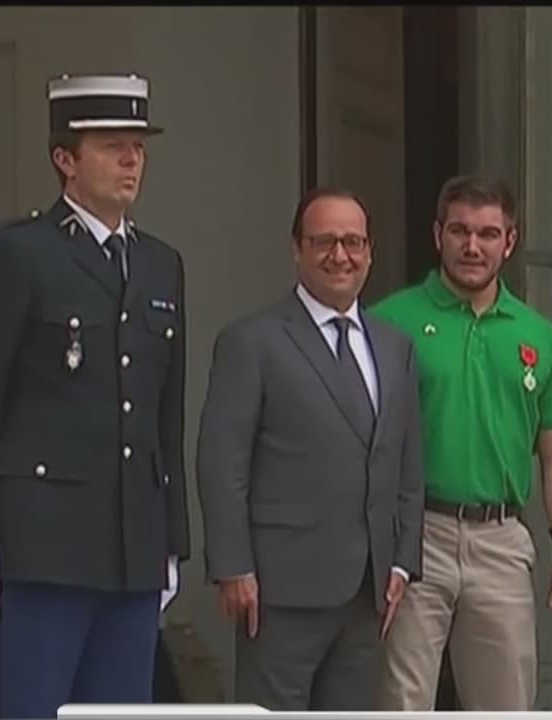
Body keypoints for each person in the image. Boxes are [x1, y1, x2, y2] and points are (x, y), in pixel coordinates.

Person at [0, 73, 188, 718]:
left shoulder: (159, 263)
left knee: (119, 712)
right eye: (111, 144)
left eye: (138, 146)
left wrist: (172, 535)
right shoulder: (19, 253)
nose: (131, 159)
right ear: (65, 159)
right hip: (45, 540)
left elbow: (164, 412)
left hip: (133, 544)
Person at [195, 188, 426, 711]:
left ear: (370, 251)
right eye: (323, 241)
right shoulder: (252, 341)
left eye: (353, 242)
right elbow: (222, 460)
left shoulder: (394, 346)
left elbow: (407, 461)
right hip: (280, 588)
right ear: (296, 249)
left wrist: (403, 562)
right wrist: (233, 565)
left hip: (369, 588)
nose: (339, 255)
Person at [369, 174, 552, 711]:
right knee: (401, 700)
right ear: (437, 234)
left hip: (502, 538)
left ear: (509, 243)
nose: (473, 246)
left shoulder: (542, 337)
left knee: (506, 702)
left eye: (489, 234)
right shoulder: (387, 323)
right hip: (414, 534)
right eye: (460, 231)